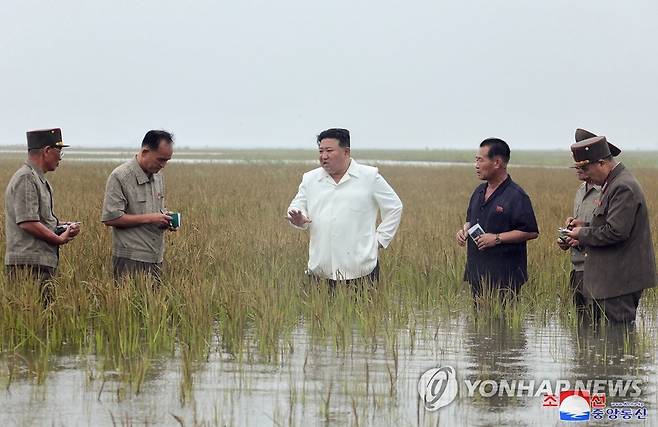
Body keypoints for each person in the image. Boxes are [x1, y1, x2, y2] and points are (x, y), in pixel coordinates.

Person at [286, 128, 403, 286]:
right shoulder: (310, 179)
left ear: (346, 152)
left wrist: (379, 240)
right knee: (318, 311)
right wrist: (299, 219)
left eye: (329, 150)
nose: (324, 156)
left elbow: (394, 207)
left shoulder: (369, 177)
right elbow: (296, 206)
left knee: (365, 311)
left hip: (361, 271)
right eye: (321, 151)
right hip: (320, 271)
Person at [565, 134, 656, 323]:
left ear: (601, 163)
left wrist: (581, 234)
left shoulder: (622, 186)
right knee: (603, 341)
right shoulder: (612, 184)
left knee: (617, 340)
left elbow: (616, 231)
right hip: (611, 282)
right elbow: (611, 225)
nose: (584, 174)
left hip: (619, 282)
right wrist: (586, 226)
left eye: (586, 168)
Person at [456, 138, 539, 301]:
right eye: (476, 160)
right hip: (477, 273)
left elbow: (530, 231)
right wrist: (463, 231)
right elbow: (470, 220)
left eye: (480, 160)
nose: (476, 165)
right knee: (478, 324)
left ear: (497, 162)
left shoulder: (516, 195)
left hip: (505, 277)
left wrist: (497, 238)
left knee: (505, 323)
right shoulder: (479, 191)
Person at [4, 128, 81, 302]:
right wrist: (59, 239)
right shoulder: (26, 178)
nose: (60, 158)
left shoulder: (37, 179)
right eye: (59, 152)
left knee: (45, 320)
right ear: (46, 151)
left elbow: (37, 219)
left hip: (39, 263)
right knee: (32, 319)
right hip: (29, 265)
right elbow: (28, 222)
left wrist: (62, 226)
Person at [101, 130, 175, 280]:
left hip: (155, 257)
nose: (163, 165)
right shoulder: (120, 176)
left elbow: (155, 212)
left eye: (167, 160)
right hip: (130, 258)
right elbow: (111, 218)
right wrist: (152, 218)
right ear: (145, 151)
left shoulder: (158, 177)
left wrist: (165, 219)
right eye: (160, 159)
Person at [557, 129, 603, 311]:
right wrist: (567, 236)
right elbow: (581, 225)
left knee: (599, 326)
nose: (578, 169)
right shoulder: (580, 191)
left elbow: (609, 229)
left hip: (597, 269)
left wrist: (582, 232)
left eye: (582, 165)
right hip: (577, 269)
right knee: (581, 329)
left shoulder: (608, 191)